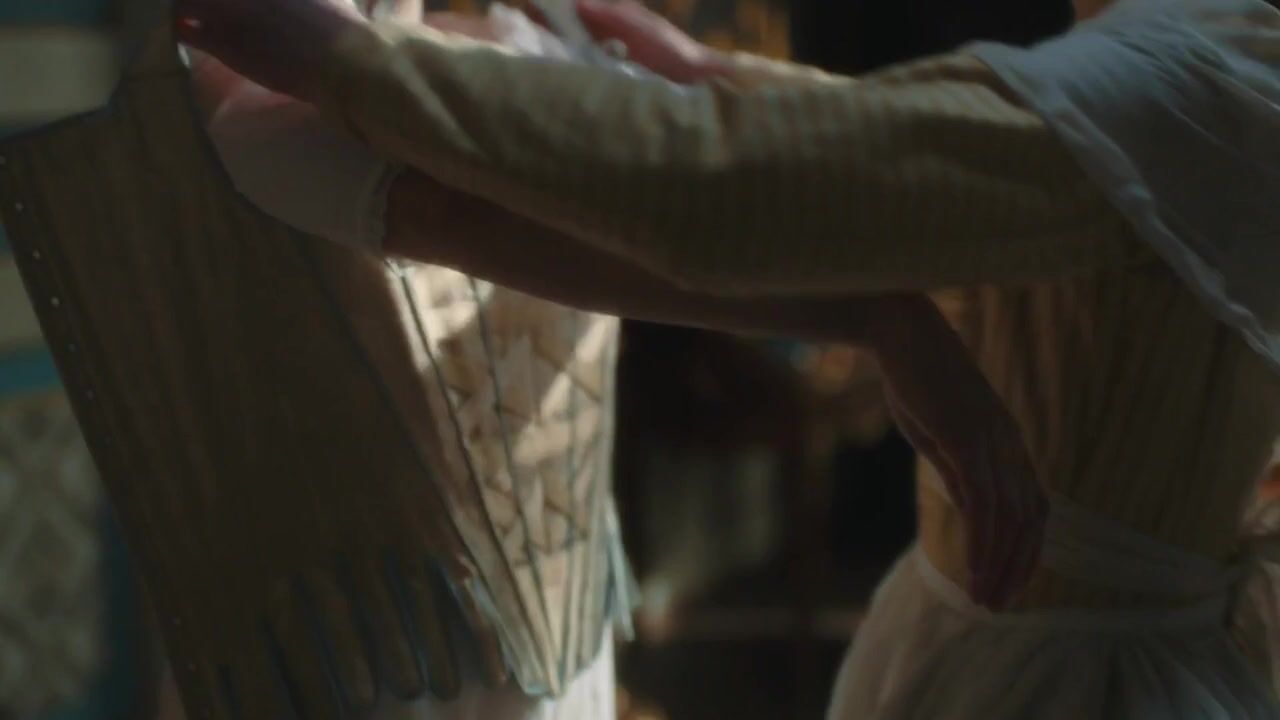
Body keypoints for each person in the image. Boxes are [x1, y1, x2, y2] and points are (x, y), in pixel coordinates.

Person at [179, 0, 1280, 715]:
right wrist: (720, 84)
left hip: (1074, 676)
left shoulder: (1194, 71)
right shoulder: (1208, 50)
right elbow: (966, 146)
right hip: (375, 604)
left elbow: (739, 186)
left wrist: (351, 63)